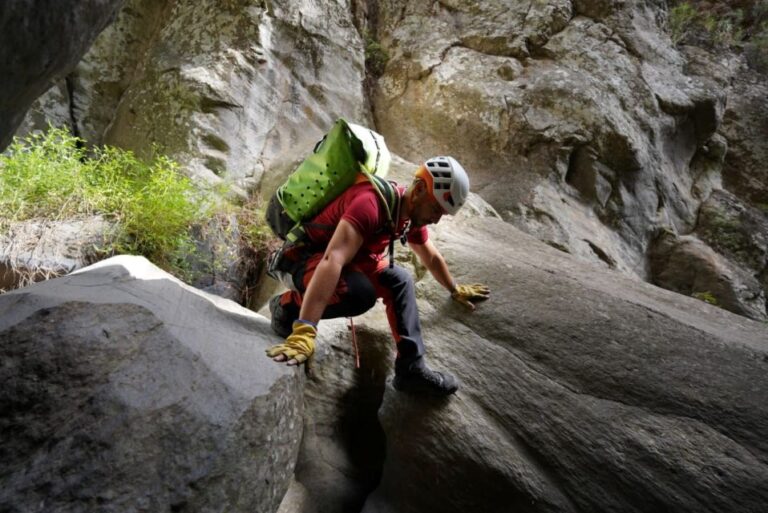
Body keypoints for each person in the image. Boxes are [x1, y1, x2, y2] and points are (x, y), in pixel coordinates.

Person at [265, 156, 490, 396]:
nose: (436, 219)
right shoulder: (370, 203)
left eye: (443, 213)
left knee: (399, 279)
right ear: (420, 189)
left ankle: (410, 369)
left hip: (345, 261)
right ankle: (287, 308)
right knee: (359, 293)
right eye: (436, 209)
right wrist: (305, 329)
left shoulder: (408, 215)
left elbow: (431, 257)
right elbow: (333, 259)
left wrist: (454, 288)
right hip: (302, 258)